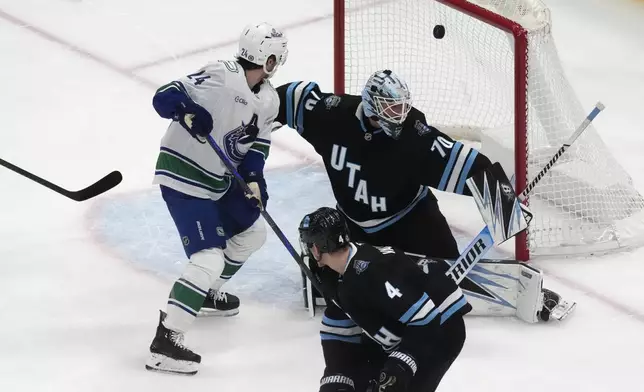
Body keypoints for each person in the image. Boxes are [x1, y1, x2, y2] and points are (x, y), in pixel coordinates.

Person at [144, 22, 288, 375]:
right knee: (207, 259)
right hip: (184, 176)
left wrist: (254, 180)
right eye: (276, 55)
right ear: (268, 57)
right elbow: (163, 96)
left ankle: (205, 293)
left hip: (219, 181)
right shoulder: (222, 75)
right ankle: (165, 341)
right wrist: (187, 111)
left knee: (254, 232)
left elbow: (257, 147)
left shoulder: (269, 99)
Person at [299, 207, 470, 392]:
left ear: (316, 248)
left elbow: (426, 320)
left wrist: (400, 366)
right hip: (407, 331)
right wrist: (337, 376)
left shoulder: (373, 270)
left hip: (442, 329)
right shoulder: (335, 275)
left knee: (397, 383)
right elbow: (337, 328)